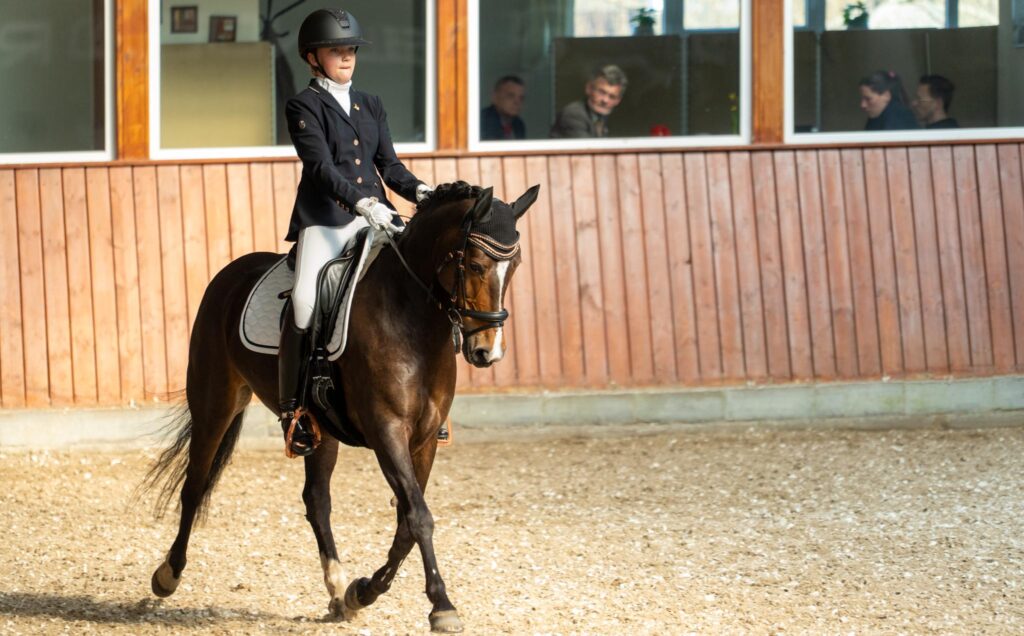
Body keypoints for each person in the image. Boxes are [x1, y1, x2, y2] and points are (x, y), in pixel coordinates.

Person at [279, 8, 432, 457]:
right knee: (305, 300)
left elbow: (390, 165)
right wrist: (360, 203)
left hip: (378, 216)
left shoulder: (371, 103)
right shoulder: (303, 106)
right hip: (327, 218)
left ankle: (429, 404)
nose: (346, 57)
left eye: (350, 50)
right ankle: (295, 411)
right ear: (313, 57)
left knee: (420, 283)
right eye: (335, 50)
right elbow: (320, 167)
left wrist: (421, 191)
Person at [550, 65, 628, 138]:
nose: (605, 100)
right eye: (601, 92)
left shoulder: (615, 120)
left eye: (612, 97)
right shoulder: (573, 115)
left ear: (618, 101)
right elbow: (587, 150)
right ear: (589, 88)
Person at [481, 75, 526, 140]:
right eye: (510, 96)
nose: (517, 102)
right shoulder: (481, 121)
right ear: (495, 97)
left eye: (521, 98)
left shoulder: (519, 125)